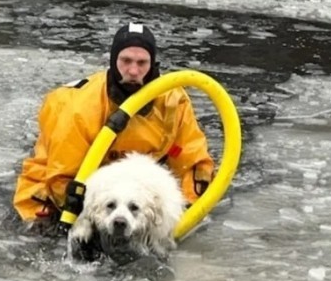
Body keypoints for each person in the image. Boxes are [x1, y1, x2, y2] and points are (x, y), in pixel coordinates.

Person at [13, 22, 215, 233]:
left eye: (142, 62)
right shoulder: (79, 108)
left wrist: (185, 211)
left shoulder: (173, 102)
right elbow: (62, 179)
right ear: (113, 60)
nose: (133, 71)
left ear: (153, 64)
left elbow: (193, 164)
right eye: (126, 61)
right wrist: (94, 214)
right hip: (58, 193)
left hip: (127, 198)